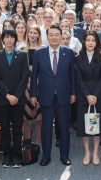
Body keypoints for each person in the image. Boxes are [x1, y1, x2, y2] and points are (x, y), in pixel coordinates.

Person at [30, 24, 76, 166]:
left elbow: (72, 75)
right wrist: (33, 94)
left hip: (64, 96)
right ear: (47, 36)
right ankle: (46, 156)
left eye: (57, 35)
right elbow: (34, 76)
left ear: (61, 36)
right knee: (46, 128)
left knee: (64, 127)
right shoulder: (39, 53)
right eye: (51, 35)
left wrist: (73, 93)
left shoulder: (68, 53)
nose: (54, 37)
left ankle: (64, 156)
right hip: (45, 96)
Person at [0, 29, 29, 167]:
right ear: (3, 39)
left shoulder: (22, 55)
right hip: (3, 98)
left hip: (18, 99)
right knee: (5, 129)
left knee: (18, 129)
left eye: (11, 37)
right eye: (6, 37)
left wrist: (16, 96)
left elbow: (25, 77)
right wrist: (8, 95)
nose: (9, 40)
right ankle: (7, 156)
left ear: (15, 39)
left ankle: (17, 155)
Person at [75, 31, 101, 166]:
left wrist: (94, 95)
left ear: (97, 43)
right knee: (84, 126)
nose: (90, 43)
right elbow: (78, 79)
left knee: (96, 125)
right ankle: (87, 152)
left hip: (98, 95)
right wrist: (88, 95)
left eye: (93, 40)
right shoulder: (78, 57)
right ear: (84, 41)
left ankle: (95, 153)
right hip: (83, 96)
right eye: (88, 40)